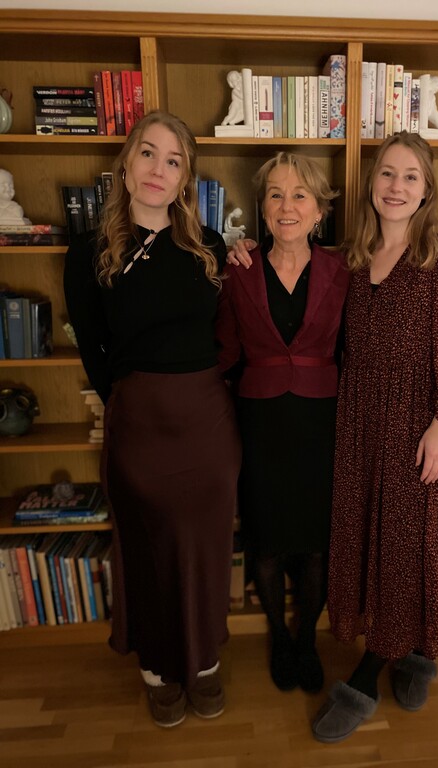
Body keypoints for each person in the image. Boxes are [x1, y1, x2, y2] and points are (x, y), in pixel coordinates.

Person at [63, 110, 241, 729]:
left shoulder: (208, 246)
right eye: (148, 153)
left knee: (206, 546)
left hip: (208, 425)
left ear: (186, 176)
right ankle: (159, 668)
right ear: (127, 163)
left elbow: (229, 332)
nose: (158, 170)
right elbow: (92, 347)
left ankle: (205, 659)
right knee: (147, 546)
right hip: (139, 421)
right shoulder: (89, 251)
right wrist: (132, 401)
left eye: (173, 160)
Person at [311, 131, 438, 743]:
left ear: (427, 188)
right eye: (387, 174)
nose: (397, 186)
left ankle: (368, 675)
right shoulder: (351, 258)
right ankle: (411, 651)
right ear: (372, 184)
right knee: (369, 540)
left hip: (420, 425)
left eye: (411, 176)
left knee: (409, 546)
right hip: (359, 421)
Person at [216, 152, 349, 694]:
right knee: (268, 541)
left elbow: (356, 347)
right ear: (262, 208)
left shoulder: (343, 270)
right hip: (261, 420)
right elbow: (224, 349)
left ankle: (307, 642)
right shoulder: (237, 268)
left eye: (300, 195)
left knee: (317, 544)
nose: (287, 205)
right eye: (275, 194)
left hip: (323, 422)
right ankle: (278, 634)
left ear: (319, 210)